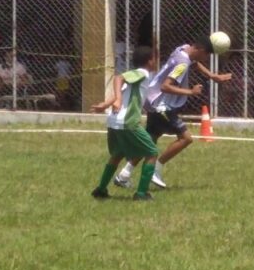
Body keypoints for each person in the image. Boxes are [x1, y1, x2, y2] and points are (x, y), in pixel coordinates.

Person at [113, 35, 232, 189]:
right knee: (186, 138)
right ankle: (156, 168)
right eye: (206, 55)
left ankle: (124, 175)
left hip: (152, 100)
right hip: (162, 105)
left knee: (150, 141)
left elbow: (194, 63)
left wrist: (212, 76)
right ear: (200, 49)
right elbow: (166, 86)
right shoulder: (182, 63)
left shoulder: (183, 48)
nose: (206, 58)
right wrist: (191, 92)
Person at [90, 46, 159, 201]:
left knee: (118, 154)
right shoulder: (142, 73)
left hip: (114, 121)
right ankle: (141, 193)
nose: (156, 61)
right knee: (152, 153)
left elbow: (123, 88)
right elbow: (118, 78)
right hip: (128, 122)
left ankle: (100, 190)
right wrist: (118, 100)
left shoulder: (138, 77)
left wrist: (107, 104)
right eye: (155, 58)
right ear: (149, 61)